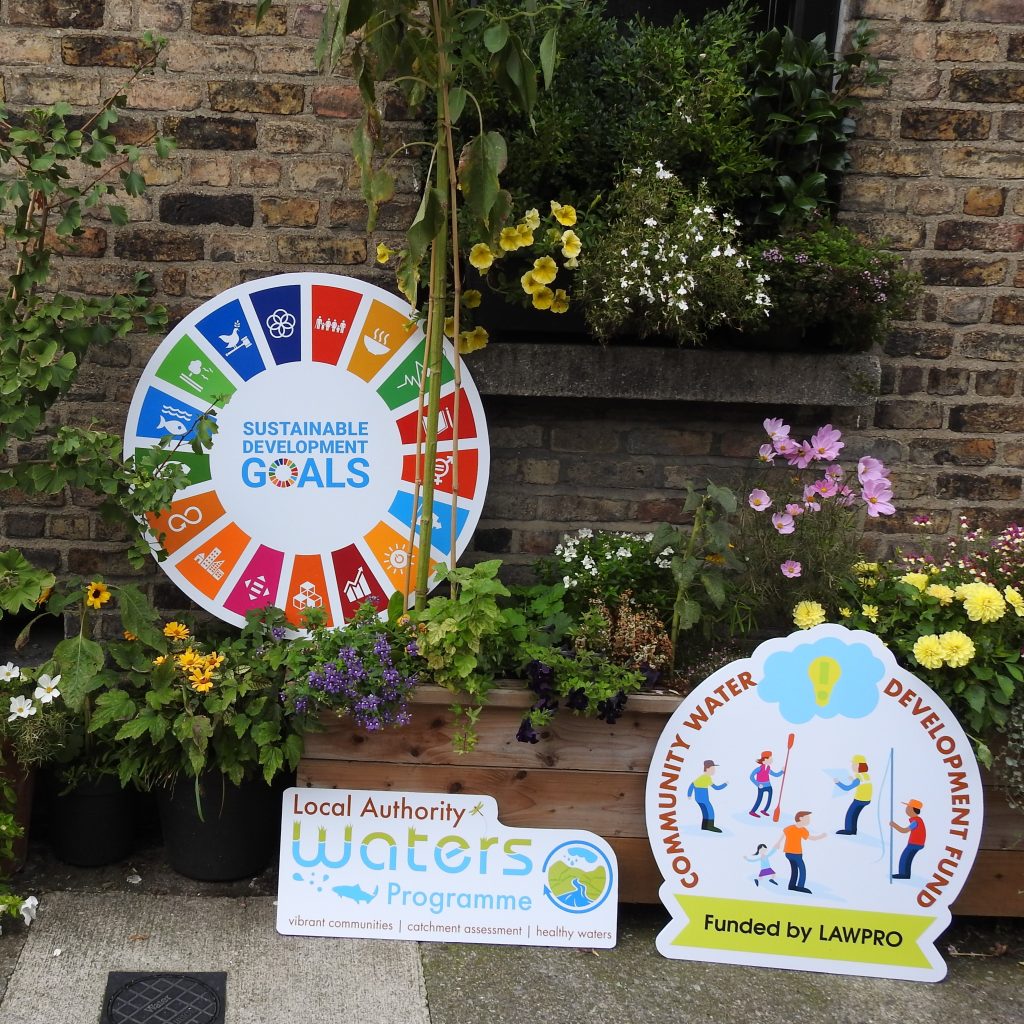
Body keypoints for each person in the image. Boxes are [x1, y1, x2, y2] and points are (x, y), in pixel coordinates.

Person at [773, 810, 826, 894]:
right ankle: (800, 886)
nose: (809, 820)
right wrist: (821, 836)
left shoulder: (794, 828)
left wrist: (778, 843)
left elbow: (783, 834)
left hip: (789, 853)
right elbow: (812, 838)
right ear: (801, 818)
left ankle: (792, 885)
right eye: (807, 818)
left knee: (794, 870)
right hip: (796, 853)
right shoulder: (800, 829)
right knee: (802, 870)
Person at [835, 754, 872, 835]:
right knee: (855, 814)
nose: (852, 766)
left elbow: (847, 788)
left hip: (859, 800)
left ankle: (849, 830)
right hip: (867, 800)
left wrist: (838, 783)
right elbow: (862, 784)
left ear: (859, 765)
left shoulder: (858, 777)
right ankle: (853, 830)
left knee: (850, 814)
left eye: (854, 764)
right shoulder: (866, 775)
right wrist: (852, 780)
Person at [890, 799, 926, 879]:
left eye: (907, 808)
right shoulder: (917, 820)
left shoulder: (915, 821)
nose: (906, 810)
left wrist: (894, 825)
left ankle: (904, 874)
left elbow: (904, 830)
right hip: (917, 843)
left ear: (912, 809)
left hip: (915, 843)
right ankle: (905, 874)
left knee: (905, 858)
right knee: (907, 858)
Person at [688, 760, 727, 833]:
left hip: (698, 798)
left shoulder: (701, 777)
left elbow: (692, 785)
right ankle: (710, 826)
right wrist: (725, 784)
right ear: (708, 769)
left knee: (705, 811)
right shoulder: (707, 778)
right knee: (710, 811)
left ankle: (704, 826)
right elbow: (716, 788)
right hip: (703, 799)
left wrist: (689, 795)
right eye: (713, 769)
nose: (714, 771)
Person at [749, 750, 784, 817]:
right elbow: (751, 777)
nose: (772, 760)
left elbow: (775, 775)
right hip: (761, 786)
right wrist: (758, 784)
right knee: (759, 799)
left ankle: (764, 810)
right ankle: (752, 811)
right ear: (765, 760)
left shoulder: (768, 768)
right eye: (770, 759)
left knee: (769, 798)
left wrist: (782, 771)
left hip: (768, 785)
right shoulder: (759, 769)